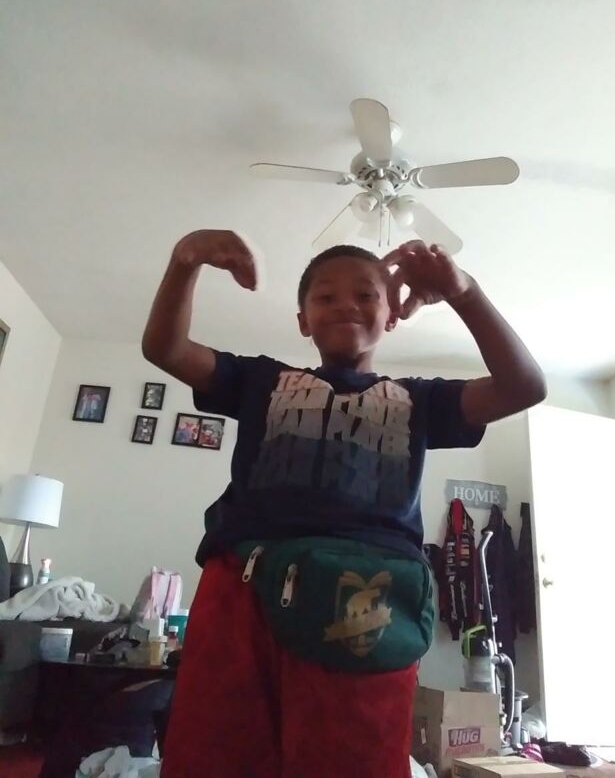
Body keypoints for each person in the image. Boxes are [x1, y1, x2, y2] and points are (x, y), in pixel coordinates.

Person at [142, 229, 546, 778]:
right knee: (215, 751)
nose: (345, 305)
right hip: (243, 585)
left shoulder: (421, 399)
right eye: (325, 296)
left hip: (369, 597)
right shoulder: (260, 379)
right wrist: (184, 260)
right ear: (303, 320)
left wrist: (463, 291)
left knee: (355, 760)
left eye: (365, 294)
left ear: (392, 316)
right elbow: (165, 349)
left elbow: (525, 386)